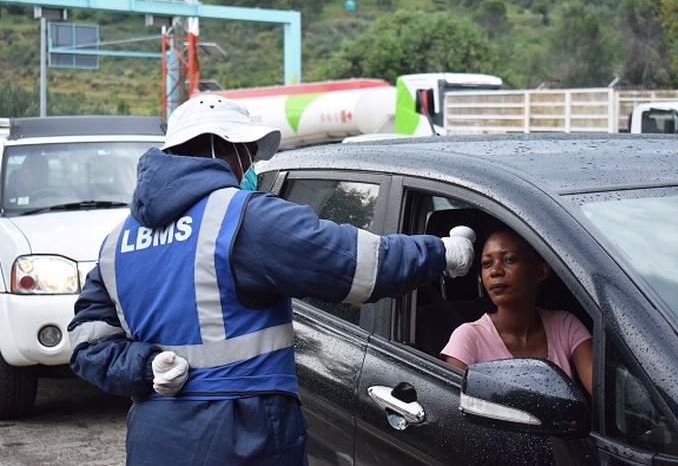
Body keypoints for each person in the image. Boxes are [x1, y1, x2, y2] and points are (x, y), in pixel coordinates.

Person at [68, 94, 475, 465]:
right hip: (238, 438)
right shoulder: (244, 218)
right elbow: (358, 264)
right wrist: (442, 252)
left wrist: (144, 367)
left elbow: (86, 343)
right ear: (221, 147)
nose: (251, 165)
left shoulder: (117, 241)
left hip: (155, 442)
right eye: (247, 152)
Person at [440, 225, 593, 394]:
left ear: (540, 271)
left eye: (509, 260)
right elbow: (453, 410)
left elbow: (605, 393)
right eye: (487, 264)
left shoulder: (565, 326)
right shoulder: (468, 338)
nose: (495, 271)